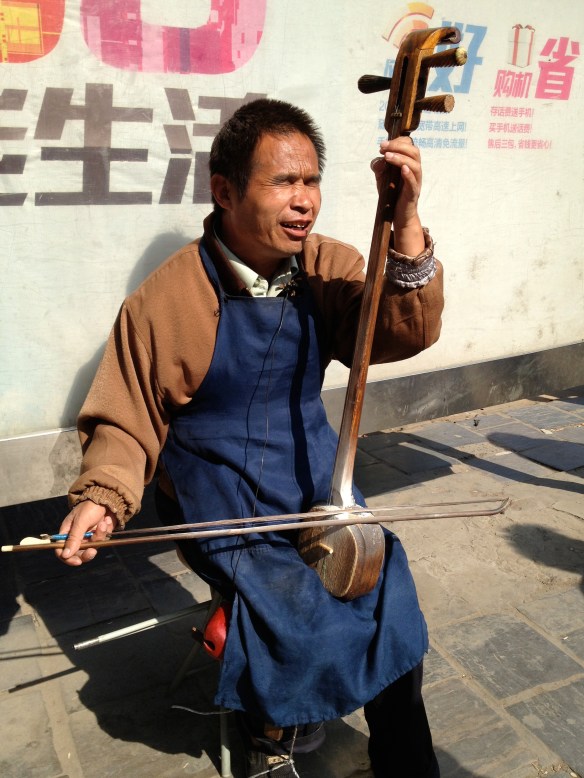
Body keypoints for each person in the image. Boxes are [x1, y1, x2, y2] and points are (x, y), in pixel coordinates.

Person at [56, 98, 444, 778]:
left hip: (313, 473)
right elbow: (128, 414)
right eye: (283, 181)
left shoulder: (327, 266)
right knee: (290, 609)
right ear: (226, 191)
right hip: (218, 490)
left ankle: (407, 760)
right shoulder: (170, 297)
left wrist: (406, 221)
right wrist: (104, 495)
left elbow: (397, 331)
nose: (304, 201)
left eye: (312, 180)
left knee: (385, 584)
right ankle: (270, 731)